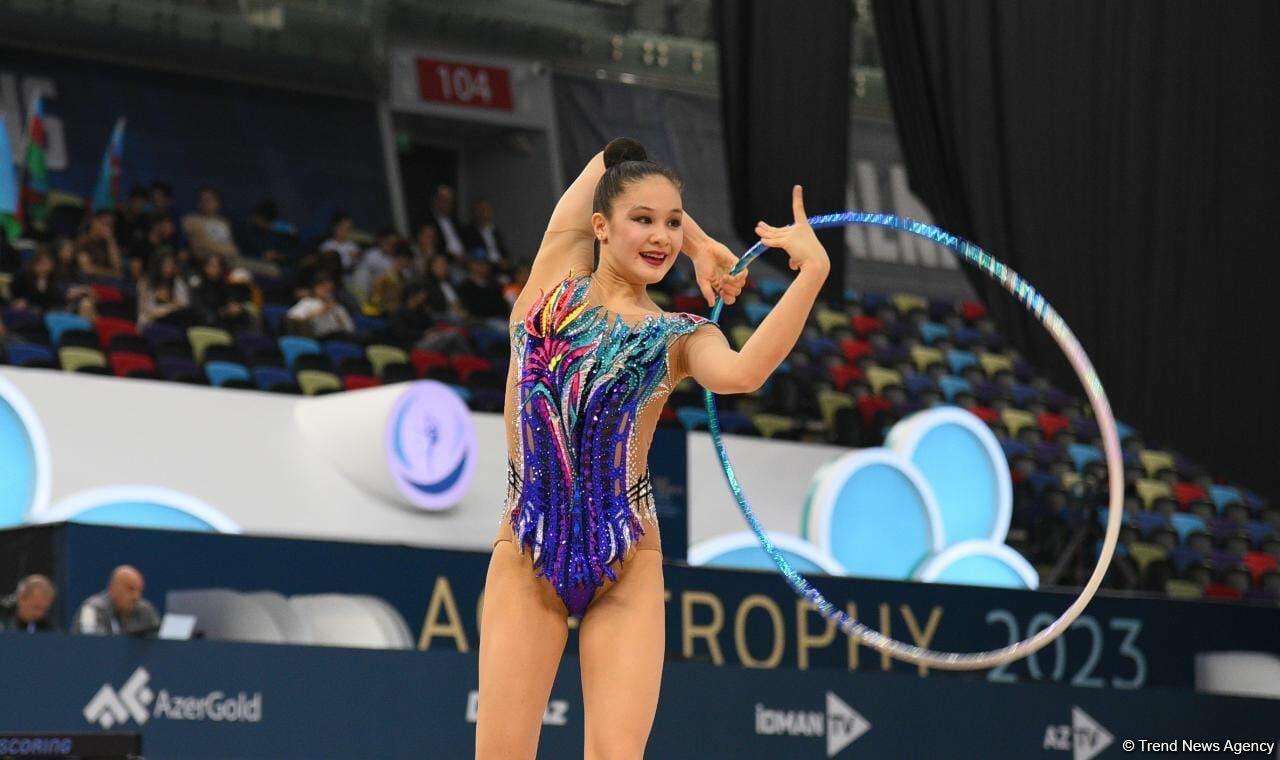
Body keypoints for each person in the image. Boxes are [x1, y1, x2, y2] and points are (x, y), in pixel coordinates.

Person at [475, 137, 827, 759]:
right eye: (643, 220)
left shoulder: (678, 335)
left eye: (671, 222)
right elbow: (616, 155)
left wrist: (812, 275)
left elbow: (744, 372)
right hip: (527, 553)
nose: (660, 236)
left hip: (626, 563)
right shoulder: (553, 280)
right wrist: (701, 244)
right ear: (600, 226)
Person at [72, 565, 160, 637]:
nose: (136, 596)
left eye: (139, 591)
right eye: (130, 589)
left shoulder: (145, 611)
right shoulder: (92, 608)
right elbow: (90, 643)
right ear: (112, 589)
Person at [286, 274, 356, 339]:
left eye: (329, 289)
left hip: (339, 336)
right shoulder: (307, 302)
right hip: (317, 336)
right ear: (315, 288)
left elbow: (349, 329)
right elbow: (291, 319)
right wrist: (316, 313)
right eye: (323, 287)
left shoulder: (337, 307)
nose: (327, 291)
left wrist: (338, 316)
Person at [136, 251, 192, 329]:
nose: (169, 269)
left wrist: (170, 307)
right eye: (166, 266)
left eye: (172, 265)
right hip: (149, 323)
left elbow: (184, 304)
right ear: (158, 265)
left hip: (172, 321)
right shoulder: (145, 282)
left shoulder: (177, 281)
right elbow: (151, 312)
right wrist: (172, 306)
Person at [76, 210, 124, 280]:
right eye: (104, 223)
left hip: (107, 281)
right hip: (87, 281)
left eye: (110, 225)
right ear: (94, 222)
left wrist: (111, 240)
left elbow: (118, 267)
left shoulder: (107, 242)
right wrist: (112, 273)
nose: (107, 228)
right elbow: (87, 268)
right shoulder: (83, 241)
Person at [463, 199, 509, 267]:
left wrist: (506, 260)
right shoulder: (469, 232)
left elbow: (503, 251)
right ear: (475, 212)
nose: (484, 212)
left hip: (500, 264)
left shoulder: (495, 232)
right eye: (481, 210)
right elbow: (473, 252)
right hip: (485, 264)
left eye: (487, 209)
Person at [428, 185, 467, 259]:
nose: (447, 204)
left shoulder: (456, 222)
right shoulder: (429, 222)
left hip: (464, 258)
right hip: (445, 259)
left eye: (450, 201)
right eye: (444, 200)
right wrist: (453, 256)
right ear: (435, 201)